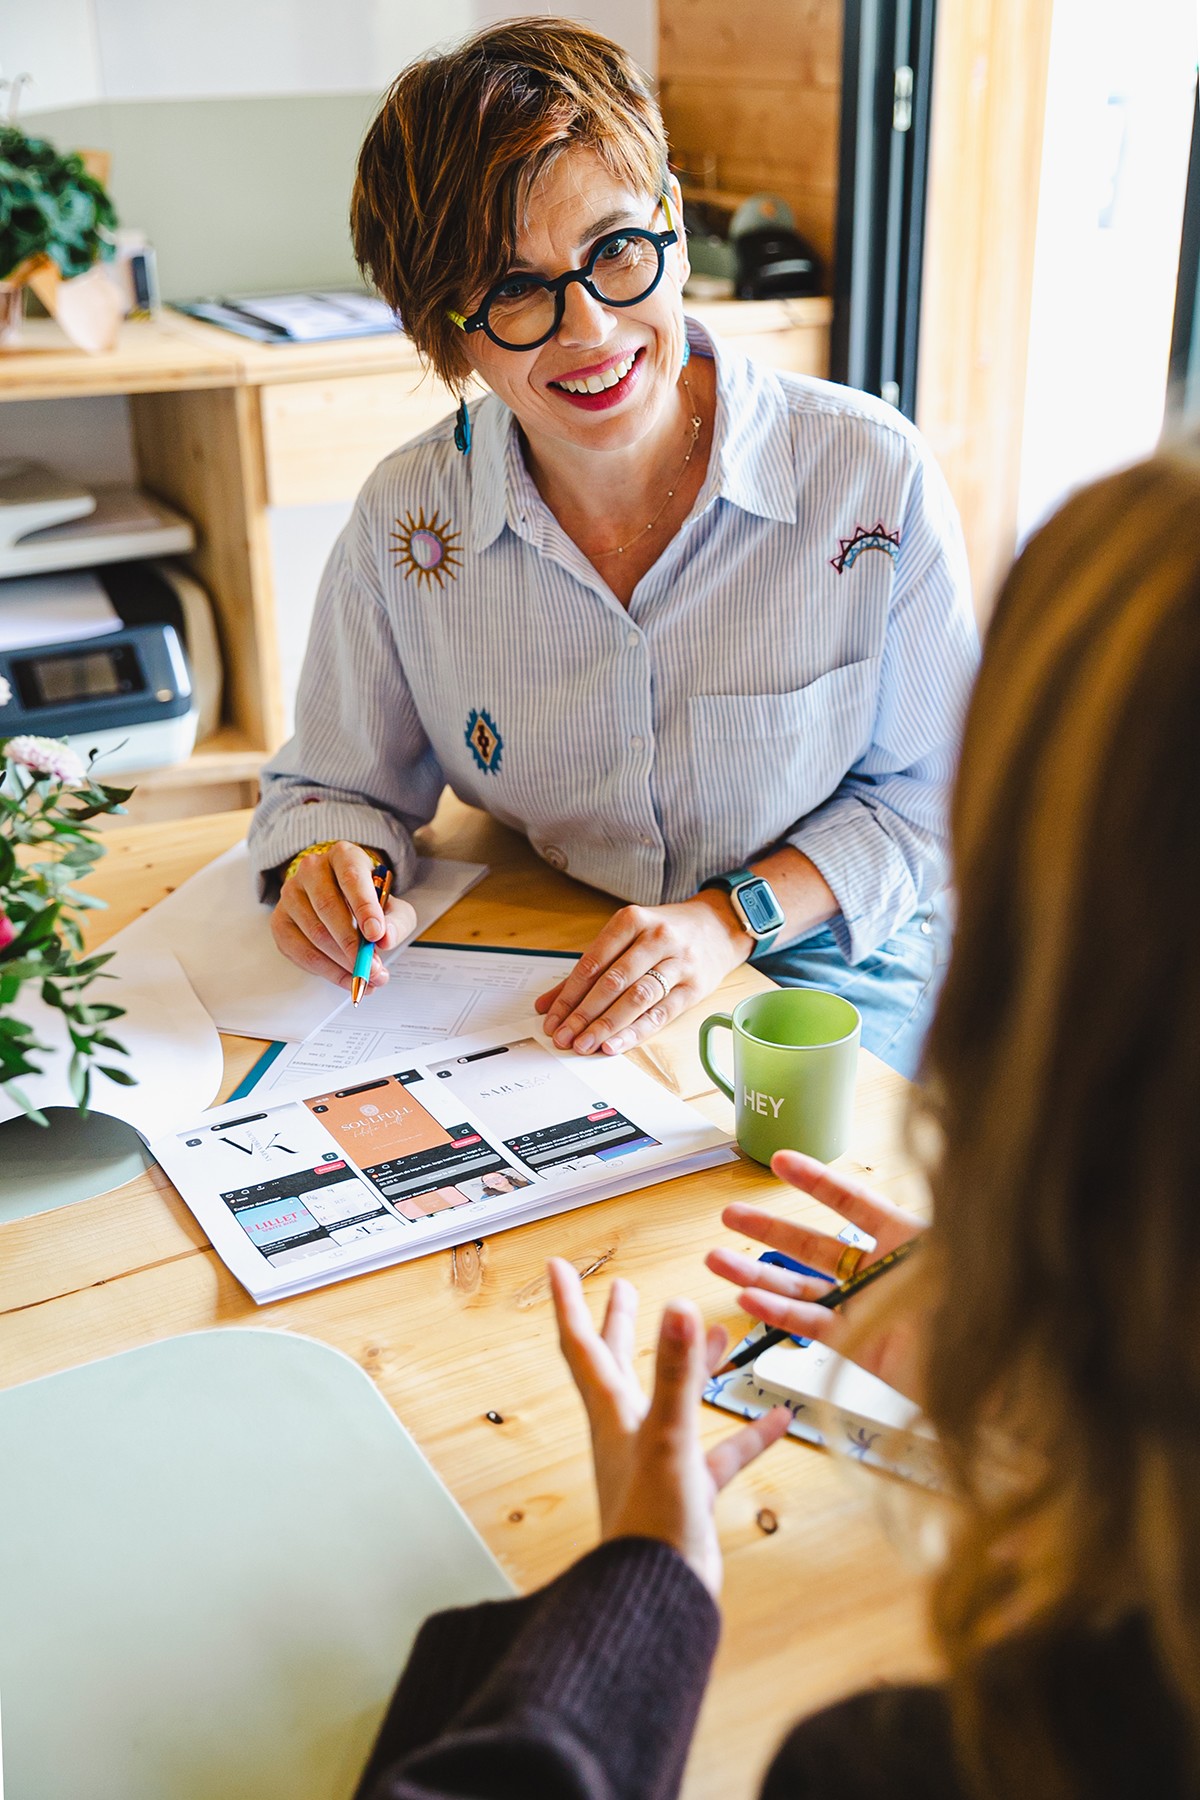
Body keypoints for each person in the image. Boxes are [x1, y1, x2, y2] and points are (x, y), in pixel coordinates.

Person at [351, 447, 1200, 1799]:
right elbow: (333, 778)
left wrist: (650, 1577)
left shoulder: (903, 1765)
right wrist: (1082, 1374)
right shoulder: (408, 517)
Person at [247, 18, 977, 1080]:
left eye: (617, 250)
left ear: (672, 223)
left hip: (824, 962)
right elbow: (335, 784)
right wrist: (331, 865)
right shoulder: (410, 523)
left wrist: (730, 921)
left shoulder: (871, 481)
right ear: (444, 330)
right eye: (512, 288)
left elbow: (938, 800)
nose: (588, 328)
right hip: (547, 952)